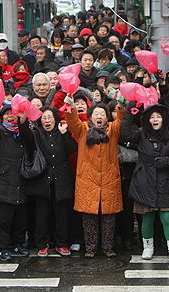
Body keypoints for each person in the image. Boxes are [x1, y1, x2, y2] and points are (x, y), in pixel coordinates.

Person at [63, 92, 126, 259]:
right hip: (88, 180)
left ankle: (108, 246)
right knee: (89, 217)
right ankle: (90, 248)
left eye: (102, 114)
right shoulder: (83, 129)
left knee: (108, 217)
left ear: (107, 117)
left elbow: (121, 120)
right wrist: (70, 107)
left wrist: (120, 106)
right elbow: (72, 121)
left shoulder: (112, 130)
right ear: (90, 116)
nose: (99, 116)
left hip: (109, 179)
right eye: (96, 113)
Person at [120, 103, 169, 265]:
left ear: (164, 119)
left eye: (158, 116)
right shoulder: (142, 133)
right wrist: (129, 111)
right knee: (146, 218)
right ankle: (147, 248)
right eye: (152, 117)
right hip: (144, 181)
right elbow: (125, 133)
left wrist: (167, 161)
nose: (155, 119)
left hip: (165, 182)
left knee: (167, 217)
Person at [19, 106, 77, 257]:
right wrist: (23, 120)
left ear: (55, 119)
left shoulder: (61, 132)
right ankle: (42, 244)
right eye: (44, 117)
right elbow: (25, 135)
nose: (47, 121)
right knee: (41, 215)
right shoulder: (37, 133)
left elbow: (72, 148)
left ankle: (62, 244)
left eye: (50, 117)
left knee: (62, 215)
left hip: (61, 179)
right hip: (42, 180)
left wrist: (65, 134)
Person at [0, 104, 29, 261]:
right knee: (2, 218)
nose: (11, 116)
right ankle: (3, 247)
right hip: (2, 181)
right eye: (7, 113)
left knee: (20, 218)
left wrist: (24, 122)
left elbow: (30, 139)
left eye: (14, 113)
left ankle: (17, 243)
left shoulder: (22, 133)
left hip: (21, 180)